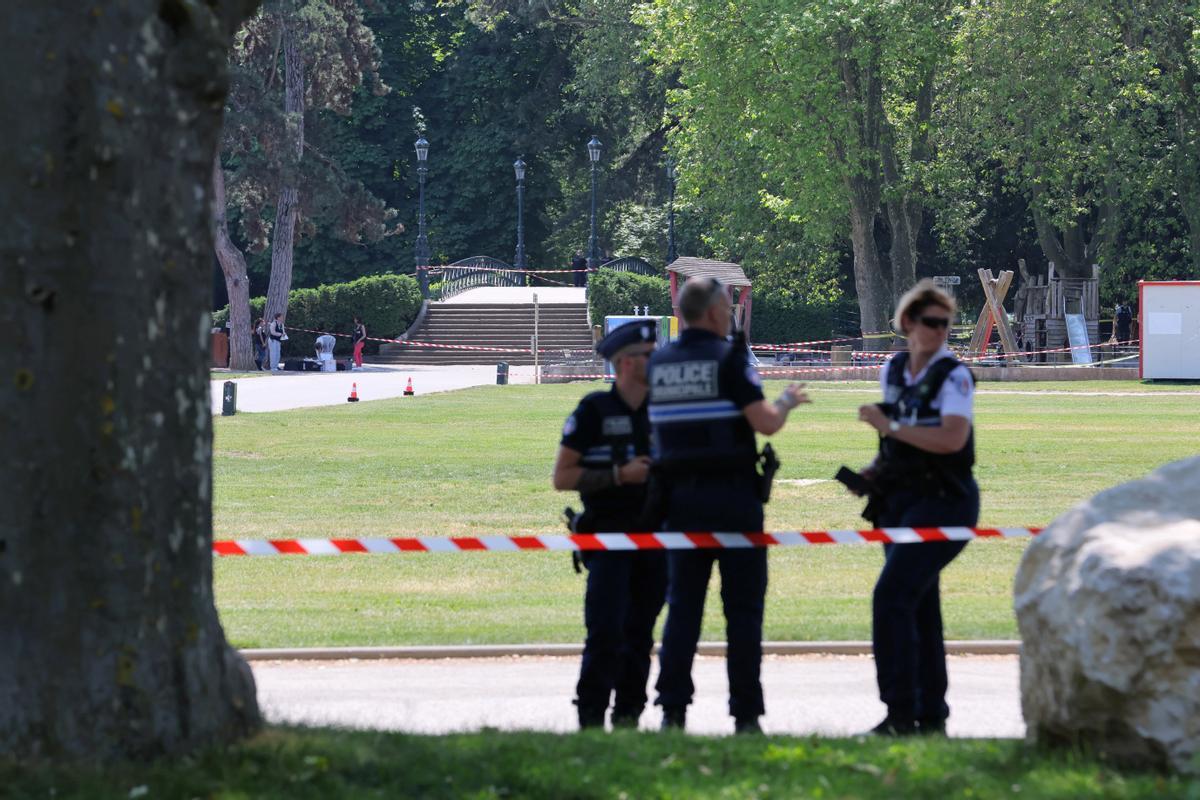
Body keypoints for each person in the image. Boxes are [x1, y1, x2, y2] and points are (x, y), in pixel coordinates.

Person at [647, 277, 809, 734]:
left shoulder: (659, 363)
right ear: (718, 312)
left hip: (678, 503)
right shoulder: (730, 359)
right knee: (742, 612)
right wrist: (786, 400)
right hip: (735, 500)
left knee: (682, 610)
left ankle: (672, 711)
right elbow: (767, 424)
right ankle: (745, 715)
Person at [852, 278, 979, 737]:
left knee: (892, 597)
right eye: (931, 322)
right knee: (920, 604)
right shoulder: (894, 367)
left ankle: (900, 713)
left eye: (946, 323)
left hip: (946, 502)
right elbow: (895, 440)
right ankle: (930, 715)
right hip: (900, 501)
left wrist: (890, 425)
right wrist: (872, 470)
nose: (940, 331)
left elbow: (951, 438)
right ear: (908, 322)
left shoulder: (954, 374)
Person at [552, 320, 667, 730]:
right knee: (604, 632)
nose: (656, 361)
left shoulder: (665, 409)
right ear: (625, 362)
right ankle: (590, 717)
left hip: (657, 538)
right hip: (607, 537)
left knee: (640, 635)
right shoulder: (593, 410)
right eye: (649, 356)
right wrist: (619, 475)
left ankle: (629, 717)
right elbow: (562, 477)